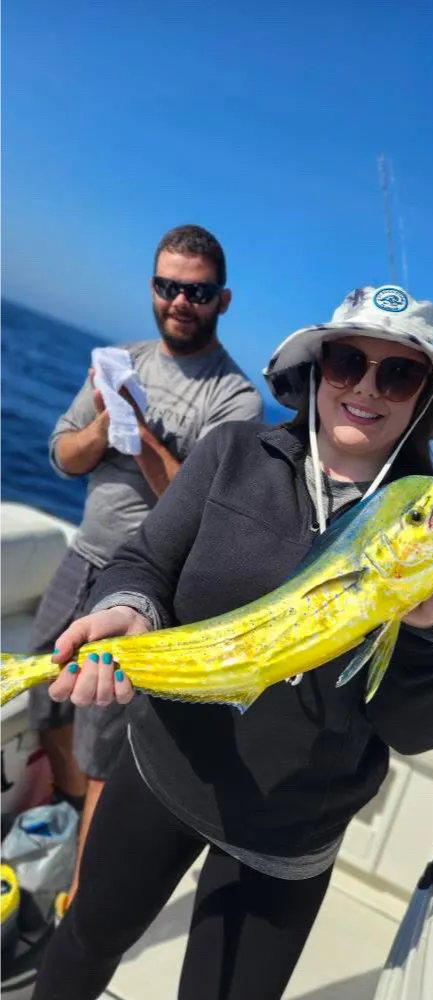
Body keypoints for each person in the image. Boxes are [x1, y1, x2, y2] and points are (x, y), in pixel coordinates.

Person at [31, 283, 433, 1000]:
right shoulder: (234, 453)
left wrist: (426, 627)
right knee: (87, 939)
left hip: (289, 831)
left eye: (398, 373)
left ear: (424, 395)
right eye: (346, 362)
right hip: (165, 765)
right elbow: (148, 563)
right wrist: (131, 612)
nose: (366, 388)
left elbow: (420, 727)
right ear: (317, 368)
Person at [27, 223, 263, 917]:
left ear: (223, 300)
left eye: (196, 291)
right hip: (81, 559)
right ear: (152, 288)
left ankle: (80, 900)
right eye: (167, 286)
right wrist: (104, 427)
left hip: (141, 590)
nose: (179, 301)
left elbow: (207, 515)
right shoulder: (119, 360)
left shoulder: (236, 402)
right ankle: (68, 821)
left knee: (104, 745)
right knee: (46, 703)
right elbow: (62, 456)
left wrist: (145, 434)